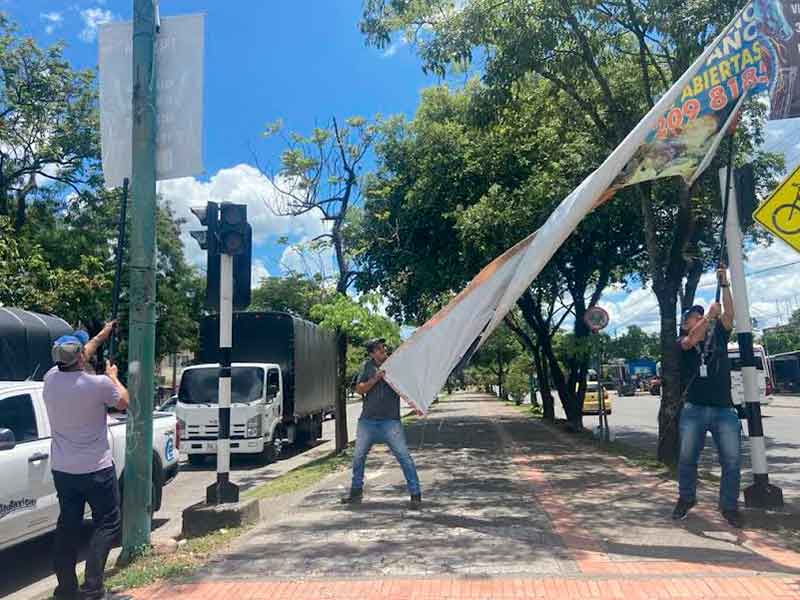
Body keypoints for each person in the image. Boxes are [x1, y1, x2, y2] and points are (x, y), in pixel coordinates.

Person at [43, 322, 129, 600]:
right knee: (107, 523)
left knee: (68, 526)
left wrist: (102, 335)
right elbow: (124, 402)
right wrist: (113, 376)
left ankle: (66, 590)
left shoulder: (50, 379)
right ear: (80, 358)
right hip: (96, 469)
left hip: (64, 471)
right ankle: (92, 589)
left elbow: (81, 353)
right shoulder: (99, 384)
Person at [672, 266, 742, 528]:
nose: (697, 318)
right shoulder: (682, 342)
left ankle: (729, 506)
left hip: (724, 409)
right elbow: (692, 339)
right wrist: (708, 318)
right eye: (692, 316)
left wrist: (724, 284)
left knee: (732, 461)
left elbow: (730, 316)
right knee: (688, 458)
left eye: (699, 315)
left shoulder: (718, 336)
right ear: (684, 323)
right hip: (694, 409)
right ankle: (686, 498)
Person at [341, 338, 422, 509]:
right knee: (358, 457)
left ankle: (415, 494)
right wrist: (375, 379)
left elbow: (407, 385)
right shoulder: (367, 367)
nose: (383, 350)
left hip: (390, 421)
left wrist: (417, 403)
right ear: (372, 353)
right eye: (378, 349)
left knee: (404, 457)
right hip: (368, 421)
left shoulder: (395, 365)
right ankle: (356, 493)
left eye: (383, 347)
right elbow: (359, 389)